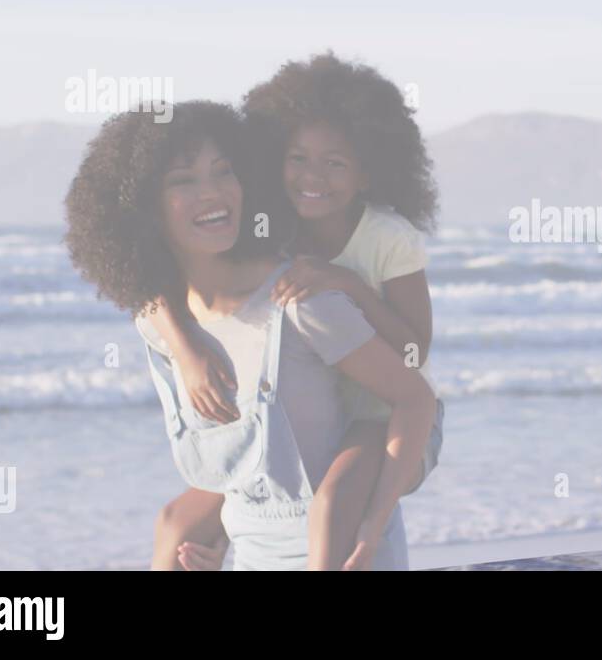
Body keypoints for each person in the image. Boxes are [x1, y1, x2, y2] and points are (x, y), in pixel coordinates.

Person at [64, 101, 437, 570]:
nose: (214, 193)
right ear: (143, 208)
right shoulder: (159, 326)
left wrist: (371, 530)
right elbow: (236, 477)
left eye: (224, 172)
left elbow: (415, 395)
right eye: (184, 180)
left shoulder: (300, 301)